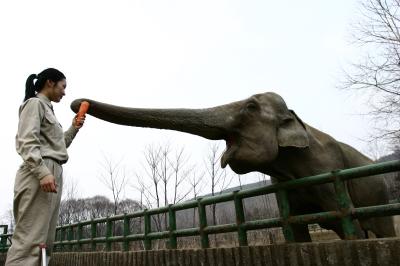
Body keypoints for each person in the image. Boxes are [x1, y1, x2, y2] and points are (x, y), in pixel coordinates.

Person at [5, 68, 85, 266]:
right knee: (29, 241)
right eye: (63, 86)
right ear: (50, 82)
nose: (64, 92)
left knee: (45, 243)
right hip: (38, 172)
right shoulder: (34, 104)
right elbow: (26, 142)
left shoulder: (49, 110)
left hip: (53, 170)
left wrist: (74, 127)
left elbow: (58, 146)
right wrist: (42, 173)